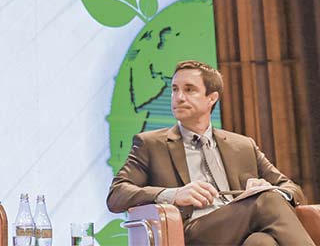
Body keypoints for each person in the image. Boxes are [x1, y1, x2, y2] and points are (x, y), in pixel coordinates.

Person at [107, 60, 314, 245]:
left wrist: (267, 188)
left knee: (262, 241)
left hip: (240, 231)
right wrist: (174, 194)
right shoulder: (150, 144)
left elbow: (292, 189)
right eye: (175, 89)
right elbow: (117, 195)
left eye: (189, 90)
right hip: (192, 233)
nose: (179, 97)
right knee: (266, 201)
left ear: (211, 98)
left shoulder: (242, 146)